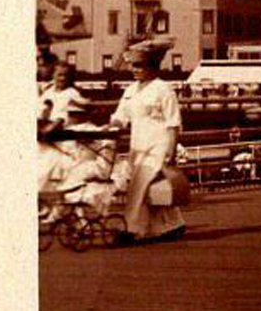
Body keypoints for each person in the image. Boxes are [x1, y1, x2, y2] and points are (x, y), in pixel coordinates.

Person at [106, 41, 186, 245]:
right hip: (138, 146)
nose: (135, 70)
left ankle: (132, 230)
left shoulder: (163, 89)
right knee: (150, 188)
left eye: (139, 65)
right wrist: (110, 128)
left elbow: (173, 123)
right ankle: (173, 225)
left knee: (139, 186)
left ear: (152, 66)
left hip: (158, 146)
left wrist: (171, 150)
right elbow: (120, 116)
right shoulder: (131, 90)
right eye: (133, 65)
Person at [38, 62, 88, 129]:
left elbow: (78, 115)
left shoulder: (72, 93)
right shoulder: (47, 93)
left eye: (65, 75)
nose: (63, 78)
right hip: (46, 125)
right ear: (53, 75)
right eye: (59, 75)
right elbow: (41, 111)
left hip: (64, 128)